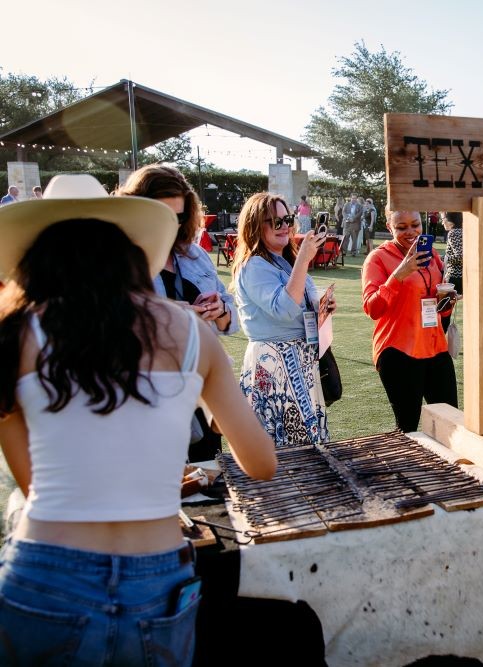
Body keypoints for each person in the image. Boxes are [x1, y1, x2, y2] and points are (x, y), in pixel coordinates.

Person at [0, 174, 276, 666]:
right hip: (158, 574)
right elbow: (260, 462)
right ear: (129, 249)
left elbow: (32, 480)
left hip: (44, 570)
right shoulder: (192, 333)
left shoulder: (16, 335)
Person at [117, 165, 239, 461]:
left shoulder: (194, 254)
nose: (172, 223)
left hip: (202, 388)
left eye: (180, 215)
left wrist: (219, 310)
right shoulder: (121, 260)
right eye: (162, 215)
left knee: (209, 478)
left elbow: (231, 317)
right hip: (150, 393)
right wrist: (170, 315)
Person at [231, 192, 335, 448]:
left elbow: (298, 302)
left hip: (300, 361)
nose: (285, 227)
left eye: (288, 219)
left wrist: (322, 306)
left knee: (304, 443)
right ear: (256, 225)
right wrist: (303, 259)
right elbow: (285, 309)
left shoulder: (283, 262)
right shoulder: (254, 266)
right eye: (276, 222)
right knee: (281, 446)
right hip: (273, 364)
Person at [362, 209, 457, 432]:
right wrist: (398, 275)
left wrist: (447, 301)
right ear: (389, 227)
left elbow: (437, 307)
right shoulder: (377, 258)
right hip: (398, 350)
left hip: (434, 346)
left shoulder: (432, 254)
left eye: (415, 225)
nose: (411, 232)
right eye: (401, 227)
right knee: (408, 428)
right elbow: (372, 308)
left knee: (450, 423)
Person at [441, 211, 463, 332]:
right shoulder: (465, 231)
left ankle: (441, 340)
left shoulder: (453, 232)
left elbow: (461, 256)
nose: (442, 221)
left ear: (451, 220)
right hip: (463, 277)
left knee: (444, 312)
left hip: (454, 277)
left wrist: (445, 258)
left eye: (444, 218)